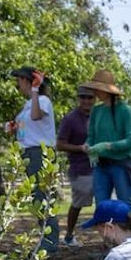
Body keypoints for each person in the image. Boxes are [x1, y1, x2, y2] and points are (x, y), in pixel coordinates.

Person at [9, 66, 59, 252]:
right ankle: (46, 240)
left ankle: (50, 244)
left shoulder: (42, 100)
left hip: (40, 153)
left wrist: (36, 90)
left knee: (43, 198)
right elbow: (25, 128)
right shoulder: (28, 104)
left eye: (19, 80)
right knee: (37, 198)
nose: (17, 84)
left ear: (27, 81)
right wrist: (12, 127)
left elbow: (37, 117)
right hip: (29, 153)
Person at [81, 69, 131, 205]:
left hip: (121, 165)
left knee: (125, 206)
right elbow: (91, 136)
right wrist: (88, 145)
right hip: (100, 166)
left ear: (108, 91)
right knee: (102, 206)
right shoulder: (96, 110)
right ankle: (106, 227)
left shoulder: (126, 111)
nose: (95, 92)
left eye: (98, 89)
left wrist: (109, 146)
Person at [56, 86, 97, 246]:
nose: (86, 101)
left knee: (105, 203)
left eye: (90, 97)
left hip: (102, 168)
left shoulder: (100, 116)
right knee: (79, 203)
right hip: (81, 169)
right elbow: (60, 144)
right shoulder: (70, 119)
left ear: (95, 99)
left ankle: (110, 239)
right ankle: (69, 235)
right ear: (78, 99)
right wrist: (80, 148)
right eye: (83, 97)